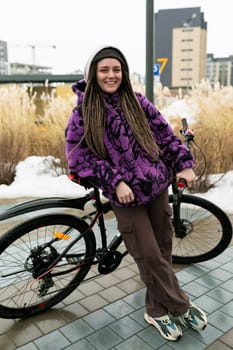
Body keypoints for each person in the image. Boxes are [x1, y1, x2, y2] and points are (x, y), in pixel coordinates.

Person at [65, 45, 207, 342]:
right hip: (125, 196)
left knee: (163, 247)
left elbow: (166, 136)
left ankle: (155, 311)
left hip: (156, 186)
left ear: (124, 73)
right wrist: (115, 182)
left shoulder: (137, 102)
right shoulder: (84, 112)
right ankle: (181, 305)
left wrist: (183, 164)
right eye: (104, 69)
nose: (111, 75)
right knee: (148, 254)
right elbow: (79, 159)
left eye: (116, 69)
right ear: (93, 74)